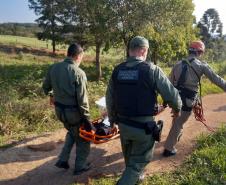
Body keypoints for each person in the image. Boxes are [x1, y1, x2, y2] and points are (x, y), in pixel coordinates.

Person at [106, 36, 182, 185]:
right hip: (143, 128)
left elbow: (109, 98)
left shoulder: (117, 70)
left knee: (129, 157)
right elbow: (172, 95)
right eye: (146, 50)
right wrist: (177, 109)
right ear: (143, 50)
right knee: (138, 161)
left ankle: (136, 177)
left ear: (130, 51)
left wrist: (112, 119)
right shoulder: (152, 70)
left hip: (123, 125)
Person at [163, 40, 226, 157]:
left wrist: (167, 100)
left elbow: (169, 83)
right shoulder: (201, 66)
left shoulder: (177, 64)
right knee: (179, 123)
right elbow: (216, 79)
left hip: (176, 97)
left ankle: (175, 135)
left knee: (177, 118)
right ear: (199, 52)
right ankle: (168, 148)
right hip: (188, 100)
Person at [42, 43, 92, 175]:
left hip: (60, 112)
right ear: (78, 56)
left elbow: (45, 88)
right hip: (74, 114)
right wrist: (87, 119)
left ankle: (63, 159)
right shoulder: (79, 73)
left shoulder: (54, 68)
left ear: (68, 54)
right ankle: (80, 166)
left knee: (71, 132)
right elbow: (82, 101)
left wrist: (53, 95)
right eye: (82, 57)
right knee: (84, 138)